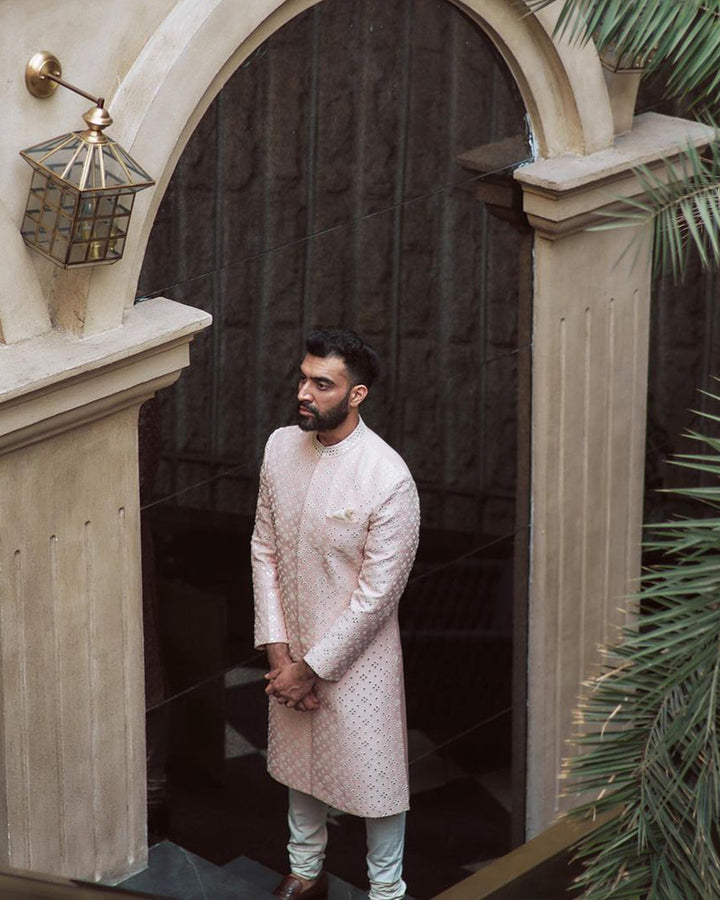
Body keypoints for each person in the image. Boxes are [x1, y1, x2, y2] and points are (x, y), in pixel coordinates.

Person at [251, 329, 420, 900]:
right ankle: (305, 871)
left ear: (357, 395)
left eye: (322, 384)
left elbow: (377, 597)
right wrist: (279, 653)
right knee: (301, 769)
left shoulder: (388, 477)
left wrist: (311, 668)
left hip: (360, 662)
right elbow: (264, 548)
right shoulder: (279, 447)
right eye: (303, 377)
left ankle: (386, 889)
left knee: (376, 783)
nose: (305, 391)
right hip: (290, 650)